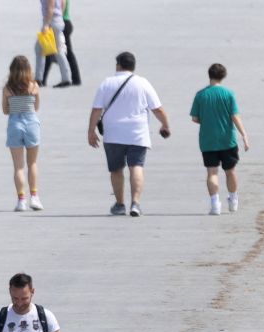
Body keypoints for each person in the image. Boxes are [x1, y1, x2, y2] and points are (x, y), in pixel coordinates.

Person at [87, 52, 170, 217]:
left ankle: (119, 204)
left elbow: (97, 109)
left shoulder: (107, 83)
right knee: (136, 167)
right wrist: (165, 124)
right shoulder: (142, 83)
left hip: (113, 134)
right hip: (137, 133)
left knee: (116, 169)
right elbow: (157, 108)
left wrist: (91, 131)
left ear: (118, 65)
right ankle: (135, 203)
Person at [190, 64, 251, 216]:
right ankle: (233, 199)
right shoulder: (228, 94)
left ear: (209, 75)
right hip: (227, 140)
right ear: (223, 76)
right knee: (230, 171)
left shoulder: (200, 95)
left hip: (208, 140)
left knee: (212, 172)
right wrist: (244, 135)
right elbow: (234, 116)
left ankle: (215, 203)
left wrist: (207, 120)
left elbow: (195, 118)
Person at [2, 56, 43, 212]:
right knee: (32, 163)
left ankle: (21, 200)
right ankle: (35, 197)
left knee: (18, 167)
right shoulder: (33, 86)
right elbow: (36, 107)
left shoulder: (7, 88)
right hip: (31, 123)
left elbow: (5, 110)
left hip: (14, 125)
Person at [41, 0, 80, 88]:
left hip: (63, 22)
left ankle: (73, 79)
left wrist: (55, 20)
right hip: (64, 22)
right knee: (50, 52)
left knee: (64, 53)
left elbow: (59, 7)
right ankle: (42, 80)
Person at [33, 0, 71, 87]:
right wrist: (59, 16)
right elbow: (63, 3)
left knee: (40, 49)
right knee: (57, 50)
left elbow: (50, 7)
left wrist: (46, 24)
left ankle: (38, 79)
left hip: (51, 22)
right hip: (57, 20)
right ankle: (66, 78)